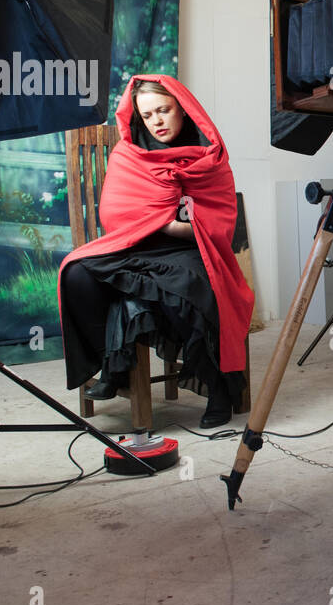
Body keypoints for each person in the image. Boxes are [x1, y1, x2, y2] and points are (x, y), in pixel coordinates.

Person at [59, 76, 253, 430]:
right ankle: (110, 359)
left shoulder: (209, 154)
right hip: (134, 245)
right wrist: (157, 220)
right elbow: (116, 215)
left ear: (183, 108)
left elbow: (216, 223)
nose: (157, 121)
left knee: (189, 290)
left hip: (188, 249)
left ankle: (218, 389)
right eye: (148, 115)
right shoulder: (129, 155)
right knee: (76, 272)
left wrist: (164, 223)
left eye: (164, 110)